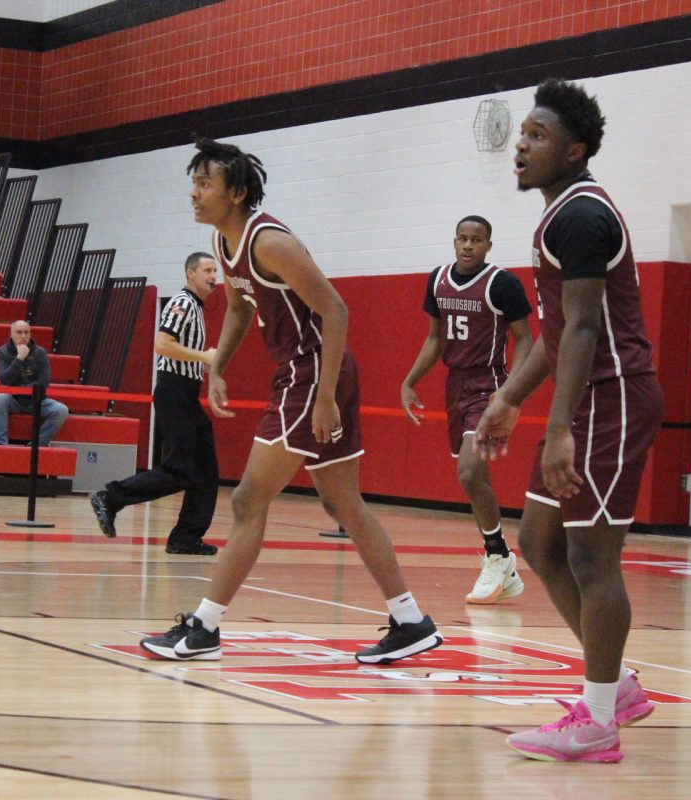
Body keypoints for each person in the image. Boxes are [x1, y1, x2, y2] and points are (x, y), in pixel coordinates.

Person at [139, 136, 443, 664]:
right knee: (342, 503)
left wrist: (324, 396)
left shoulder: (269, 242)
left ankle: (205, 628)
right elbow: (236, 310)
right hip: (307, 374)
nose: (194, 193)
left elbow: (338, 311)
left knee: (247, 500)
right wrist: (218, 368)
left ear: (235, 192)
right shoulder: (222, 243)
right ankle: (411, 620)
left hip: (312, 374)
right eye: (193, 182)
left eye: (204, 183)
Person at [473, 79, 662, 763]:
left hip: (611, 398)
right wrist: (509, 398)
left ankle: (600, 721)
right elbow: (556, 334)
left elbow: (582, 330)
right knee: (542, 546)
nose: (521, 145)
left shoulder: (580, 217)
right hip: (587, 396)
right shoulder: (560, 215)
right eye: (523, 133)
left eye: (538, 136)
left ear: (575, 150)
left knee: (590, 555)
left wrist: (559, 429)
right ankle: (620, 687)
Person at [401, 215, 533, 604]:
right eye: (462, 238)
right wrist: (410, 380)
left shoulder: (502, 283)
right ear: (454, 241)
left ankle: (496, 555)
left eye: (476, 240)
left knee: (470, 471)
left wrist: (510, 392)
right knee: (475, 478)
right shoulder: (438, 280)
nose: (468, 245)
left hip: (488, 383)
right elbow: (434, 339)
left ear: (488, 245)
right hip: (454, 385)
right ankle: (503, 563)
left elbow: (524, 340)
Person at [89, 252, 222, 555]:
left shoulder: (197, 308)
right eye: (207, 270)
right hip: (174, 393)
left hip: (187, 393)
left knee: (206, 469)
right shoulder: (182, 303)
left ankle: (185, 537)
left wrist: (210, 373)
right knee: (180, 469)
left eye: (215, 270)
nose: (213, 276)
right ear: (190, 273)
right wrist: (204, 356)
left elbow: (185, 355)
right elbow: (163, 344)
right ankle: (110, 498)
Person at [0, 320, 68, 447]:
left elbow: (44, 382)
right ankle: (1, 445)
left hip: (36, 400)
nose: (23, 336)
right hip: (13, 399)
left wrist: (20, 389)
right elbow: (4, 379)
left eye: (26, 332)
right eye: (19, 332)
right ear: (11, 334)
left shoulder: (40, 353)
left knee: (61, 410)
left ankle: (36, 445)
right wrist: (20, 358)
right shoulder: (2, 352)